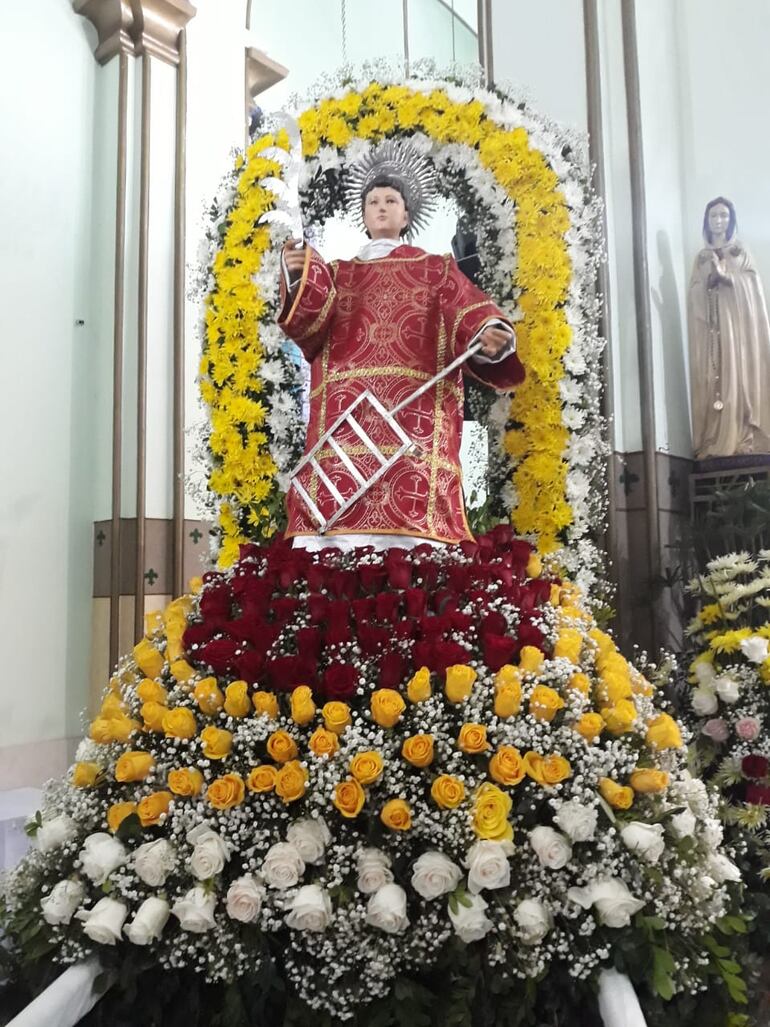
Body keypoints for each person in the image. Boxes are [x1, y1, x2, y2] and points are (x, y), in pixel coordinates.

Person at [277, 143, 524, 551]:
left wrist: (490, 336)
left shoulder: (435, 269)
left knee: (410, 500)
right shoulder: (339, 272)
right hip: (345, 411)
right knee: (334, 508)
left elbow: (470, 313)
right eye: (372, 201)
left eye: (391, 200)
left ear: (407, 214)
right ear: (363, 215)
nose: (381, 207)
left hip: (415, 411)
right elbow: (311, 323)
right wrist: (299, 273)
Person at [688, 196, 770, 459]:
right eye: (714, 216)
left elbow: (753, 288)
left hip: (738, 335)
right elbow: (694, 294)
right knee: (714, 384)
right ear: (707, 221)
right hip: (713, 336)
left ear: (730, 220)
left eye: (723, 215)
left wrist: (727, 278)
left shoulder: (740, 252)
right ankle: (714, 439)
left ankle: (744, 435)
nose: (719, 220)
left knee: (739, 382)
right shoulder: (701, 258)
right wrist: (709, 282)